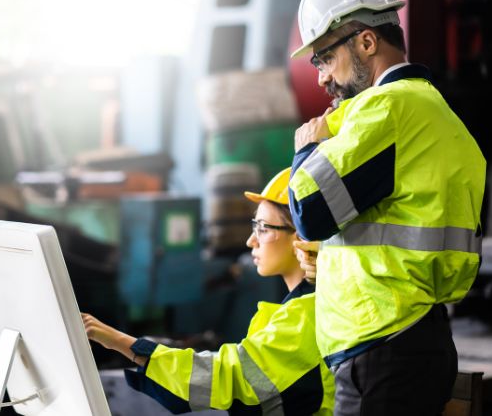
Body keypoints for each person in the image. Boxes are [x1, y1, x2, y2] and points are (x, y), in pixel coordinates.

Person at [287, 0, 487, 415]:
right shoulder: (434, 112)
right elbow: (395, 225)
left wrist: (307, 150)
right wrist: (329, 258)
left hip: (385, 348)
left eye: (324, 58)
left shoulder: (387, 109)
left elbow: (309, 211)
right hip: (408, 339)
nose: (322, 78)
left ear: (365, 42)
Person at [82, 168, 334, 415]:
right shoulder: (303, 307)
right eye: (254, 226)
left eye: (264, 228)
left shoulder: (307, 314)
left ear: (302, 237)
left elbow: (228, 377)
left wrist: (122, 342)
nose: (251, 241)